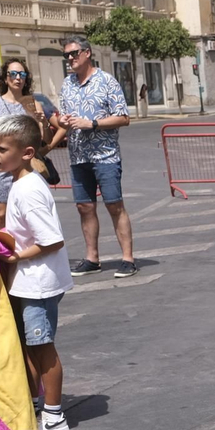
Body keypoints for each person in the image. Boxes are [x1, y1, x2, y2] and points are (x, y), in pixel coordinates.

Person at [0, 114, 74, 430]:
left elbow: (52, 239)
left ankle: (54, 415)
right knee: (29, 346)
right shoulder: (20, 182)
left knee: (42, 348)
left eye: (1, 149)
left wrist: (15, 256)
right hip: (27, 280)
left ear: (26, 152)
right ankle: (36, 403)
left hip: (39, 282)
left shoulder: (28, 190)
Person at [56, 36, 137, 279]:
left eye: (74, 53)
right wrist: (61, 121)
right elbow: (63, 117)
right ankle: (92, 258)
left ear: (87, 53)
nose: (70, 58)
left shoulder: (107, 81)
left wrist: (91, 123)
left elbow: (123, 117)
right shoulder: (67, 84)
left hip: (105, 155)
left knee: (114, 205)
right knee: (84, 207)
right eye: (67, 55)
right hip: (78, 156)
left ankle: (128, 259)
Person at [0, 61, 57, 230]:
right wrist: (3, 136)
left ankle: (23, 250)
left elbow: (47, 139)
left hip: (25, 164)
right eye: (13, 74)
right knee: (0, 213)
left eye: (22, 74)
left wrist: (44, 123)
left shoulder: (33, 103)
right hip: (0, 166)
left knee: (26, 210)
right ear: (5, 78)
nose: (18, 78)